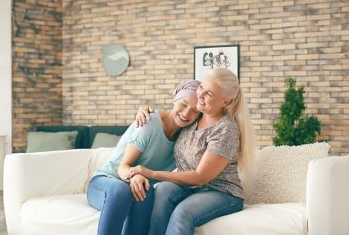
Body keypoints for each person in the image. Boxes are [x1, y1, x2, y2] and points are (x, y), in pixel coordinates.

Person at [131, 68, 255, 235]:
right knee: (162, 191)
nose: (200, 95)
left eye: (208, 94)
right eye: (201, 87)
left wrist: (152, 173)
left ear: (226, 101)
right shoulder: (195, 115)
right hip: (192, 188)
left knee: (183, 212)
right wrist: (145, 110)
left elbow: (200, 176)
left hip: (222, 192)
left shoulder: (225, 130)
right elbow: (170, 117)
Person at [86, 80, 201, 235]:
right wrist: (134, 176)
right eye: (184, 103)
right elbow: (123, 166)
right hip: (105, 183)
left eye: (195, 110)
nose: (187, 113)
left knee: (146, 193)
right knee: (121, 191)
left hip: (138, 187)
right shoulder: (150, 121)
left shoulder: (186, 138)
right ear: (175, 98)